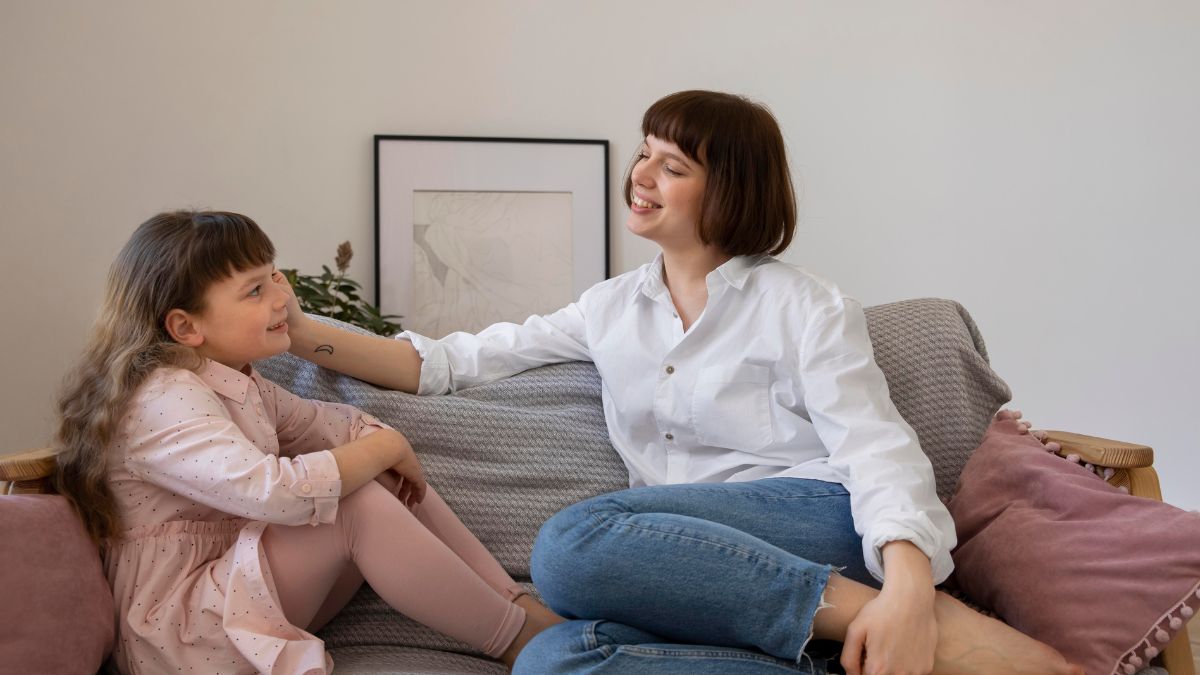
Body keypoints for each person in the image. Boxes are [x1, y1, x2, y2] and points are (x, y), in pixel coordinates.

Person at [280, 91, 1082, 674]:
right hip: (691, 565)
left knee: (570, 547)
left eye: (674, 165)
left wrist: (908, 585)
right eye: (644, 154)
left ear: (728, 187)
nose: (642, 174)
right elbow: (445, 362)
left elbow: (877, 449)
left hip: (812, 523)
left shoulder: (805, 304)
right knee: (555, 659)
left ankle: (920, 625)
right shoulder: (607, 308)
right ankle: (845, 655)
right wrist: (291, 328)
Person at [52, 210, 563, 675]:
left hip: (237, 596)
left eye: (275, 276)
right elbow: (272, 493)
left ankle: (518, 609)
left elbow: (344, 427)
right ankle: (518, 641)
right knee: (352, 500)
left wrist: (381, 447)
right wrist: (385, 449)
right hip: (182, 632)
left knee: (365, 476)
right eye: (254, 291)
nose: (282, 299)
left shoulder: (238, 382)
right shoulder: (163, 397)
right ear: (186, 326)